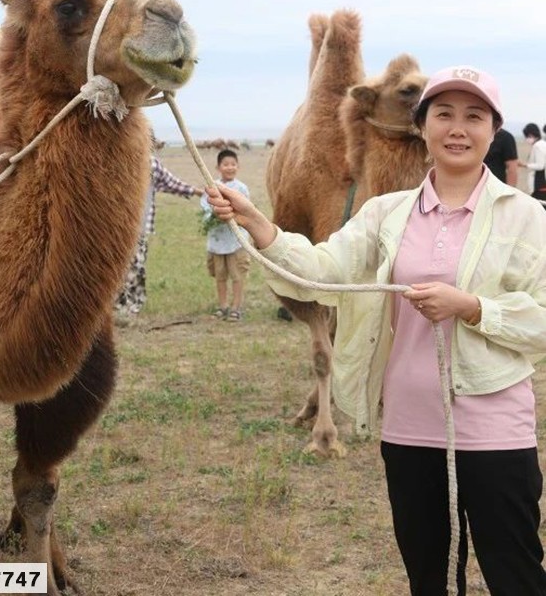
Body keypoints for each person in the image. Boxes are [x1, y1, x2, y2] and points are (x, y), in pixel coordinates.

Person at [206, 66, 546, 595]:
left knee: (514, 571)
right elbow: (324, 269)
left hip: (494, 431)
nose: (458, 128)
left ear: (493, 129)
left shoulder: (527, 216)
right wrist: (259, 224)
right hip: (408, 427)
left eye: (474, 116)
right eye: (444, 114)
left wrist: (473, 307)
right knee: (425, 574)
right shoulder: (386, 213)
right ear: (421, 126)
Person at [114, 154, 202, 323]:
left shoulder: (151, 164)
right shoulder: (116, 160)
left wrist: (196, 191)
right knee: (117, 267)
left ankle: (130, 306)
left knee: (136, 267)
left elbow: (171, 183)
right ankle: (118, 306)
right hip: (115, 228)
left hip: (139, 227)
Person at [200, 148, 251, 321]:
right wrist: (214, 215)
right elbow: (205, 208)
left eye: (233, 164)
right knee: (220, 276)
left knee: (237, 275)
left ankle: (236, 307)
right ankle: (222, 306)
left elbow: (246, 210)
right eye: (226, 164)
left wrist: (233, 216)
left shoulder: (241, 188)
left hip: (237, 241)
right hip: (217, 240)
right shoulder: (212, 187)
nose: (230, 167)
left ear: (238, 166)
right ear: (218, 167)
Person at [520, 123, 546, 205]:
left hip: (539, 184)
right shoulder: (543, 143)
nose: (527, 139)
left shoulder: (538, 146)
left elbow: (540, 165)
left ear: (531, 135)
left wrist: (525, 165)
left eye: (527, 136)